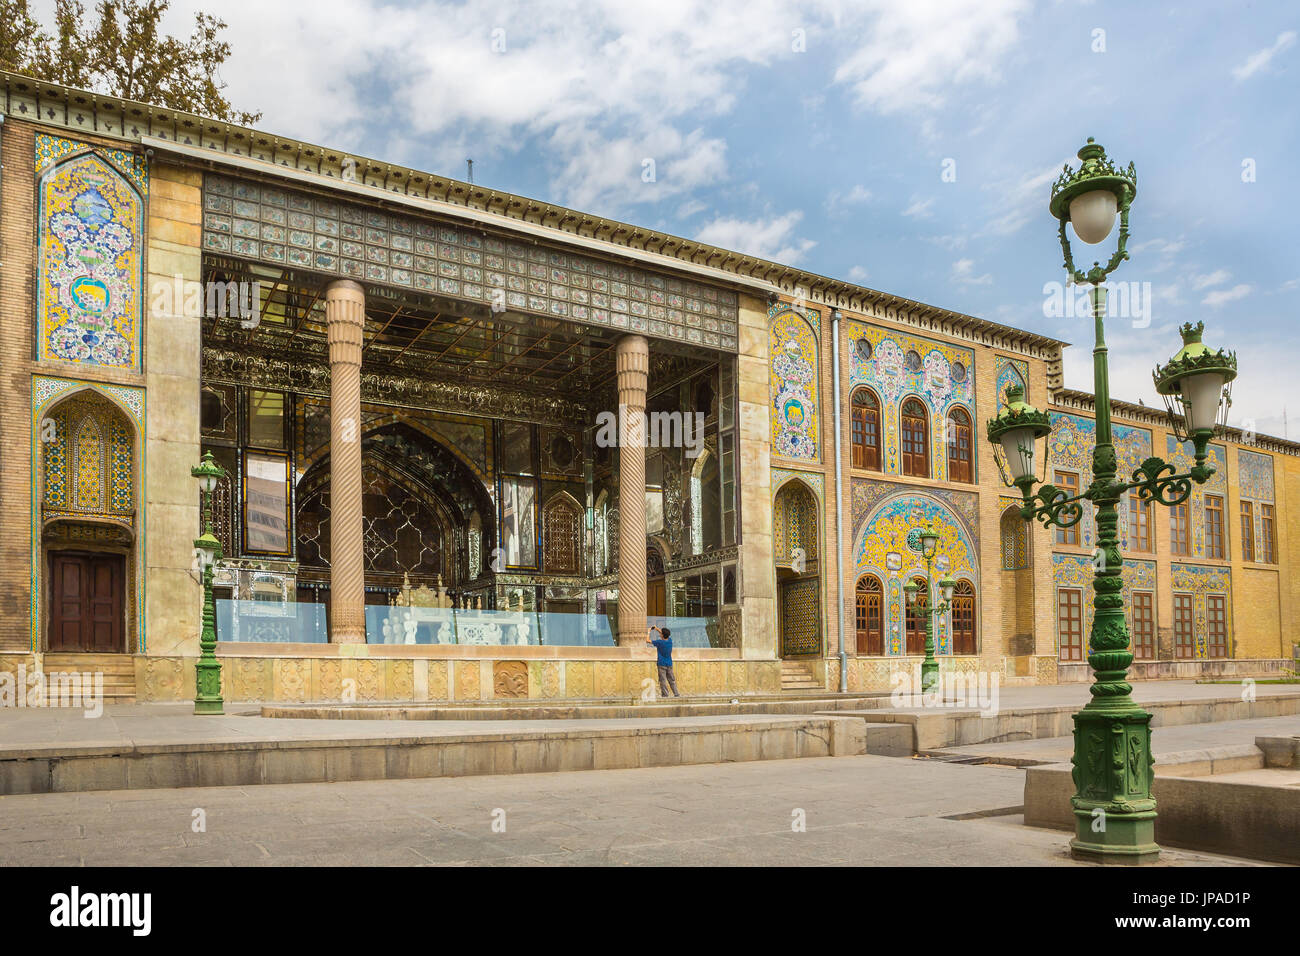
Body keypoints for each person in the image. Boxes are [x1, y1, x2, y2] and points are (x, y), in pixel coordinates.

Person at [647, 625, 679, 698]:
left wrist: (648, 632)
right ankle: (676, 694)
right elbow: (664, 633)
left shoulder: (659, 642)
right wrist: (656, 628)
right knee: (672, 680)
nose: (660, 634)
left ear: (662, 635)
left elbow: (647, 640)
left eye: (660, 633)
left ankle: (665, 695)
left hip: (661, 664)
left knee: (663, 681)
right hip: (669, 664)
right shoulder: (670, 641)